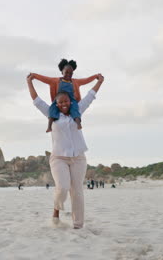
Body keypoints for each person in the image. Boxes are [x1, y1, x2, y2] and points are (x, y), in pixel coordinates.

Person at [27, 72, 104, 229]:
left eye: (66, 101)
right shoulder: (51, 114)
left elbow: (90, 96)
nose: (64, 104)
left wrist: (99, 82)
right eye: (60, 102)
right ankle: (56, 210)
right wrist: (30, 82)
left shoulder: (78, 110)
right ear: (56, 103)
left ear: (71, 101)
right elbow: (36, 101)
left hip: (78, 158)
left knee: (77, 192)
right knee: (62, 188)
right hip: (59, 158)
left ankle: (78, 226)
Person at [30, 59, 99, 131]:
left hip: (71, 101)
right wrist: (34, 75)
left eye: (71, 73)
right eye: (66, 72)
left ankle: (78, 123)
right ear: (62, 71)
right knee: (52, 110)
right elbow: (44, 78)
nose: (69, 75)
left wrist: (95, 76)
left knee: (75, 109)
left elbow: (86, 80)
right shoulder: (55, 81)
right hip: (58, 100)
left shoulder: (75, 82)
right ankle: (49, 126)